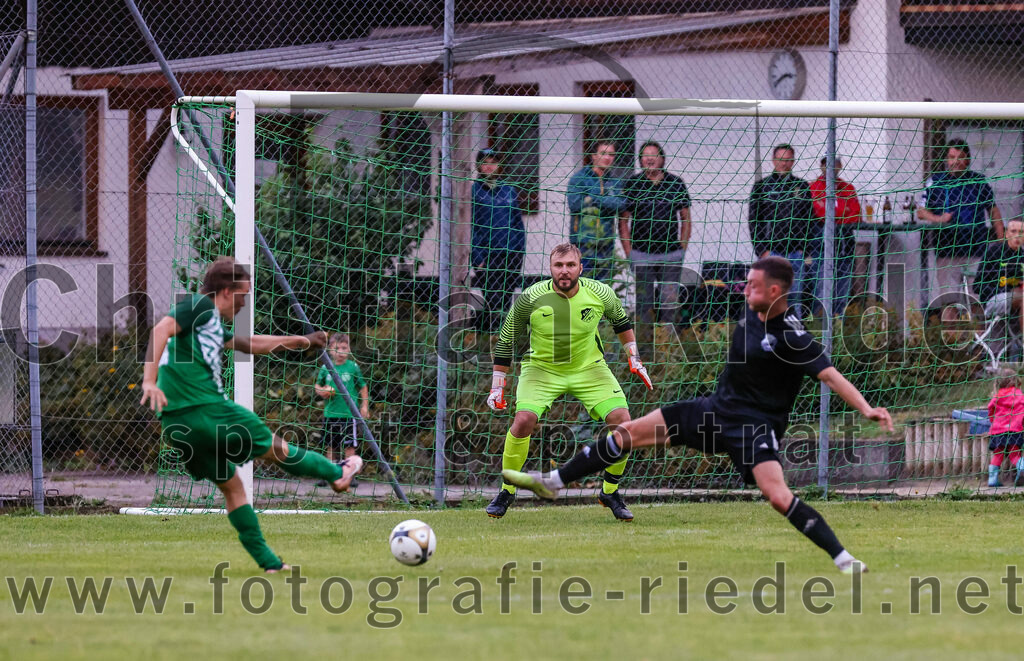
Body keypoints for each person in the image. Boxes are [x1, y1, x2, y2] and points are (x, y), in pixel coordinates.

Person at [504, 256, 893, 574]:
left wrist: (866, 408)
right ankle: (554, 481)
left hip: (754, 428)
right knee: (626, 433)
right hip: (712, 411)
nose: (746, 289)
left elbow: (829, 374)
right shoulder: (753, 309)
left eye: (754, 285)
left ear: (776, 292)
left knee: (777, 496)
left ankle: (844, 559)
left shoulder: (793, 337)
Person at [140, 257, 346, 573]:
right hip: (209, 410)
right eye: (242, 295)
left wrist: (301, 341)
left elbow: (249, 344)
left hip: (177, 425)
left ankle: (271, 564)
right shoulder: (198, 306)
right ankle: (337, 473)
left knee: (233, 488)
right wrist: (149, 381)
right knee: (280, 450)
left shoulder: (207, 325)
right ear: (224, 291)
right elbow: (160, 329)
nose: (244, 302)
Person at [484, 243, 653, 521]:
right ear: (550, 268)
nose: (564, 271)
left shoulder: (600, 292)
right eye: (558, 266)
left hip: (589, 369)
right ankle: (507, 490)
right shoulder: (531, 297)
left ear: (580, 268)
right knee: (523, 421)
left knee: (624, 425)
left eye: (570, 265)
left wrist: (634, 358)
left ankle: (609, 491)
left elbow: (621, 323)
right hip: (541, 370)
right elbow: (506, 339)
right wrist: (497, 383)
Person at [917, 139, 1004, 302]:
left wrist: (1001, 244)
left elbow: (994, 211)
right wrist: (938, 218)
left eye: (960, 157)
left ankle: (978, 329)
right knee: (949, 300)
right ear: (946, 159)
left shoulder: (978, 182)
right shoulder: (935, 181)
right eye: (951, 157)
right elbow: (921, 212)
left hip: (976, 250)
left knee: (977, 299)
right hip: (946, 250)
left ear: (968, 160)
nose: (955, 162)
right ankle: (951, 329)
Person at [620, 140, 692, 330]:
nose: (650, 159)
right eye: (645, 155)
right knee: (645, 302)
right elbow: (623, 221)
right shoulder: (633, 184)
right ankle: (644, 347)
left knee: (670, 301)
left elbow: (686, 219)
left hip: (670, 254)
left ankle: (667, 345)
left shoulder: (675, 183)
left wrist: (682, 249)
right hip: (641, 254)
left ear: (662, 159)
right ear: (640, 160)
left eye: (654, 155)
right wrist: (629, 252)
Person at [748, 144, 816, 316]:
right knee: (770, 298)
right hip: (771, 254)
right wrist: (762, 250)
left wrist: (804, 249)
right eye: (780, 159)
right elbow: (754, 221)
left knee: (794, 298)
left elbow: (810, 219)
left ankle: (793, 337)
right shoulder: (762, 187)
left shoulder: (801, 187)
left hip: (795, 254)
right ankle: (769, 336)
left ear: (793, 161)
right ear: (773, 160)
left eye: (787, 160)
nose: (783, 164)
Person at [471, 148, 526, 332]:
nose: (490, 166)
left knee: (506, 299)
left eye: (493, 162)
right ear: (479, 166)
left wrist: (519, 252)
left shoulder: (509, 191)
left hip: (510, 256)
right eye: (485, 162)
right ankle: (492, 338)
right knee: (492, 300)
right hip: (487, 257)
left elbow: (518, 224)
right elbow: (471, 226)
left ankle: (505, 340)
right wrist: (477, 258)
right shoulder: (474, 192)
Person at [314, 332, 368, 490]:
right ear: (330, 350)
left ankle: (348, 475)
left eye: (344, 348)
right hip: (330, 413)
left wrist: (364, 405)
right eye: (337, 348)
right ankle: (330, 474)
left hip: (349, 414)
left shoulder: (353, 367)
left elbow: (362, 386)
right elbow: (317, 385)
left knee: (349, 446)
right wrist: (322, 390)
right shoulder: (326, 367)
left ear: (349, 349)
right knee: (330, 445)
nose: (341, 352)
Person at [567, 140, 627, 282]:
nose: (607, 157)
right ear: (593, 156)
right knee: (583, 287)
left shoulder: (615, 182)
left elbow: (619, 205)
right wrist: (606, 201)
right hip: (583, 244)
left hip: (606, 245)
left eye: (611, 154)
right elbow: (575, 205)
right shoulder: (579, 179)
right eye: (603, 153)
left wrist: (593, 199)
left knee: (604, 289)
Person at [809, 156, 861, 317]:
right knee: (822, 287)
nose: (832, 168)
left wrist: (834, 217)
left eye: (835, 165)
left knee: (842, 288)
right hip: (821, 246)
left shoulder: (847, 188)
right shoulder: (813, 188)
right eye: (828, 165)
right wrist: (840, 214)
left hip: (844, 244)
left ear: (840, 167)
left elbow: (856, 215)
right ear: (821, 167)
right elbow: (817, 213)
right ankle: (820, 326)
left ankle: (838, 327)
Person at [973, 218, 1024, 362]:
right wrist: (1006, 290)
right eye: (1013, 231)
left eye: (1021, 232)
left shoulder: (1023, 256)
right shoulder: (993, 253)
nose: (1017, 236)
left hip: (1018, 303)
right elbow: (977, 286)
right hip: (993, 301)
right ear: (1007, 234)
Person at [985, 369, 1024, 487]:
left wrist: (994, 421)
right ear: (1015, 380)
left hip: (998, 430)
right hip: (1014, 429)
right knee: (1014, 452)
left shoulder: (997, 396)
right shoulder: (1019, 395)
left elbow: (990, 409)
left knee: (998, 453)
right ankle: (1022, 468)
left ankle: (992, 479)